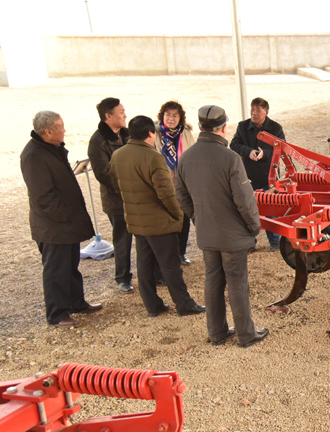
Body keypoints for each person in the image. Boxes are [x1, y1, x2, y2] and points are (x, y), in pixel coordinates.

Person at [175, 105, 268, 348]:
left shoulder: (186, 157)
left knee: (213, 282)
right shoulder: (230, 158)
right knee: (237, 284)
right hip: (232, 235)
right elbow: (244, 200)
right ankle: (246, 334)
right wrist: (254, 226)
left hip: (207, 232)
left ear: (200, 126)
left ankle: (217, 333)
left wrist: (198, 218)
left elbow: (181, 195)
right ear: (223, 128)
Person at [108, 115, 205, 318]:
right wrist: (178, 214)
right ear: (150, 133)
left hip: (136, 220)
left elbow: (115, 186)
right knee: (171, 266)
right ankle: (184, 304)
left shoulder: (117, 155)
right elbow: (166, 193)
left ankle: (153, 305)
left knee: (144, 265)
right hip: (159, 223)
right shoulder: (153, 157)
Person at [20, 111, 103, 327]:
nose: (64, 130)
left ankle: (76, 303)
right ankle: (57, 314)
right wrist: (65, 216)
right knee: (56, 270)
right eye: (61, 126)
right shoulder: (33, 155)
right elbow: (43, 196)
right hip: (53, 226)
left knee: (70, 266)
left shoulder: (52, 149)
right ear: (48, 131)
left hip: (65, 224)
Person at [88, 97, 134, 293]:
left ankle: (155, 275)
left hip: (137, 197)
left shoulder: (128, 134)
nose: (125, 115)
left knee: (147, 237)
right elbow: (103, 174)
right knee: (122, 239)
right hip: (117, 201)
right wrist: (128, 187)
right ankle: (122, 278)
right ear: (108, 116)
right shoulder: (97, 141)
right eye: (121, 112)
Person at [230, 97, 285, 250]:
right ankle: (250, 242)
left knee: (271, 208)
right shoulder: (242, 126)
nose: (254, 113)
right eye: (252, 110)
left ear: (266, 112)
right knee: (248, 209)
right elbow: (234, 144)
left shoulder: (275, 128)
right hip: (248, 176)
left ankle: (275, 241)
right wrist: (248, 152)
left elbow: (281, 149)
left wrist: (264, 154)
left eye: (258, 110)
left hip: (269, 175)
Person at [154, 101, 196, 265]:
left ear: (180, 118)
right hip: (164, 184)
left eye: (174, 116)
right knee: (167, 221)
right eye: (167, 115)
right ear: (162, 116)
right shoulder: (155, 133)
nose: (170, 119)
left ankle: (181, 253)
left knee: (184, 220)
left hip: (183, 184)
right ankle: (168, 256)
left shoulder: (185, 133)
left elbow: (192, 155)